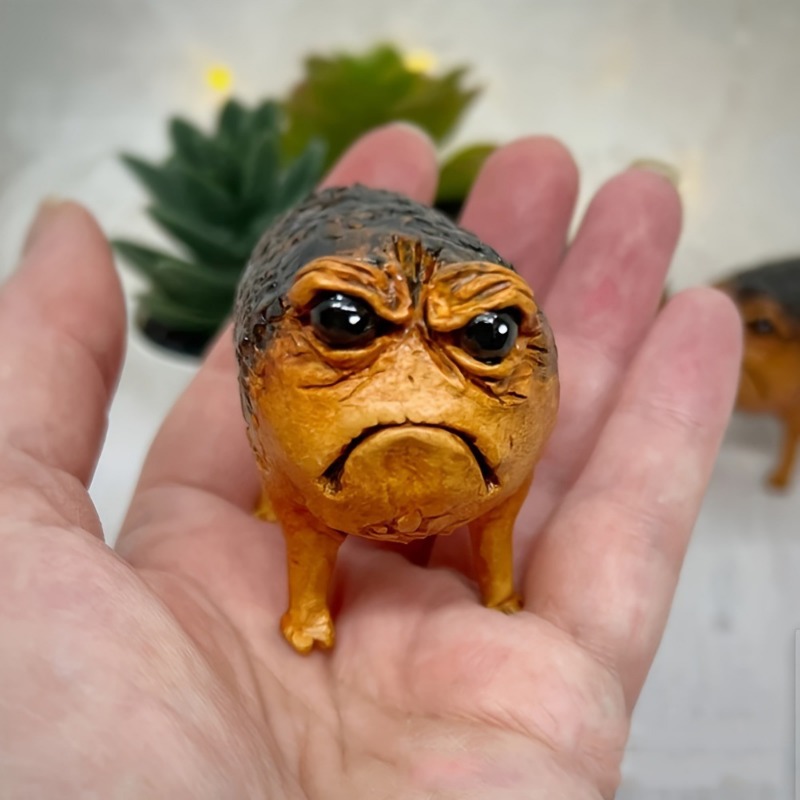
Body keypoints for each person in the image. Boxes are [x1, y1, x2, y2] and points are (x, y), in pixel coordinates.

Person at [0, 123, 741, 798]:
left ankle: (494, 576)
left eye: (483, 337)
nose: (412, 383)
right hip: (314, 445)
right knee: (301, 500)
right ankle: (312, 599)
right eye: (348, 324)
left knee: (481, 499)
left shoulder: (518, 393)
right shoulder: (284, 388)